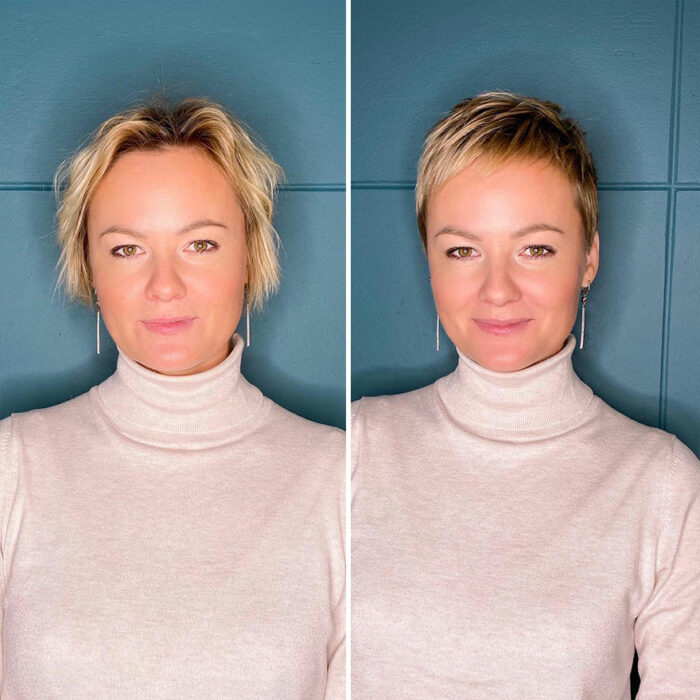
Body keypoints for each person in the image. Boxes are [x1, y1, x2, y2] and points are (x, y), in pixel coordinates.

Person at [351, 91, 699, 698]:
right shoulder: (358, 446)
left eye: (535, 248)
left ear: (588, 257)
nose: (497, 289)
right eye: (463, 250)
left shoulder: (663, 483)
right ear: (429, 262)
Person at [0, 97, 344, 698]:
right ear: (89, 267)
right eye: (127, 248)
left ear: (249, 255)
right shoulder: (13, 465)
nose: (164, 286)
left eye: (201, 244)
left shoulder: (342, 479)